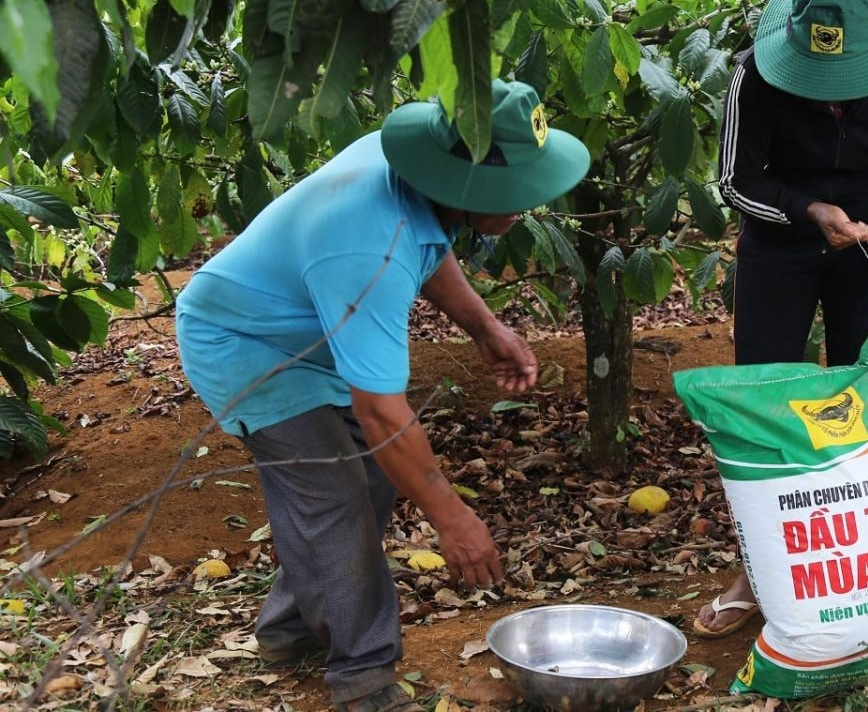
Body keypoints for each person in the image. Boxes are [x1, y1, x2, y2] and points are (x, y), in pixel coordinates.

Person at [175, 81, 589, 712]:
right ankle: (364, 681)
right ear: (462, 184)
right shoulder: (367, 245)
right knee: (334, 494)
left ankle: (287, 630)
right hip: (245, 343)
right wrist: (454, 520)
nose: (523, 208)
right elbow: (382, 412)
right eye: (514, 194)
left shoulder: (416, 179)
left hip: (311, 325)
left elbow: (427, 244)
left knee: (373, 481)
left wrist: (486, 326)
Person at [697, 0, 868, 638]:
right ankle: (756, 571)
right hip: (779, 246)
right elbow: (733, 179)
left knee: (866, 395)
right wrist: (807, 210)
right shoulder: (755, 73)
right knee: (765, 398)